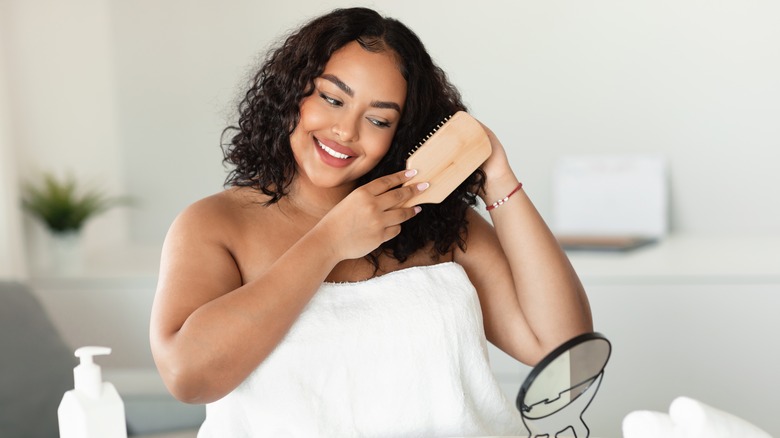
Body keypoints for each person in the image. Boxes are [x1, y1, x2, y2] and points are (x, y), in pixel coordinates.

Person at [150, 7, 592, 437]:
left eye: (378, 119)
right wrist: (330, 242)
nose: (346, 130)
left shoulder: (438, 224)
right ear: (293, 92)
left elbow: (563, 348)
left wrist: (497, 177)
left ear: (400, 133)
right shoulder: (215, 224)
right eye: (332, 98)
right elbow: (189, 377)